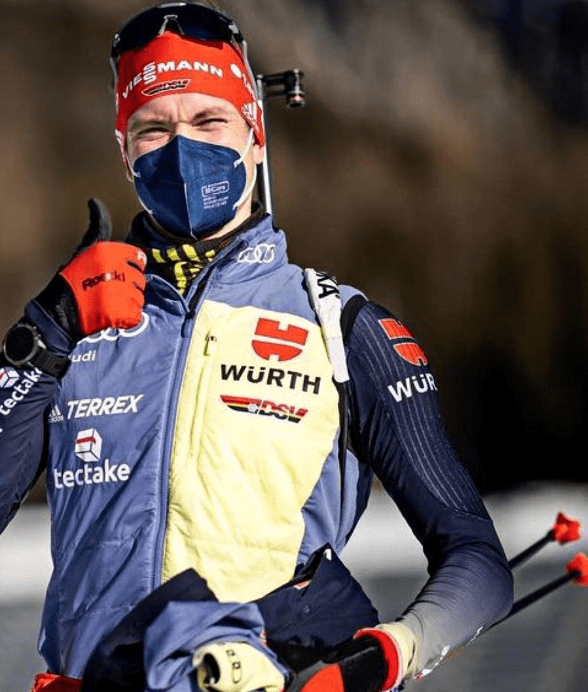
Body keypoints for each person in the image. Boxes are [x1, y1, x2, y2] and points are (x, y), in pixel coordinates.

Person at [0, 3, 513, 692]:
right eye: (154, 128)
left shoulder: (340, 326)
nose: (183, 147)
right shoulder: (69, 330)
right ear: (125, 155)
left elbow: (477, 561)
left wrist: (385, 654)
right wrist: (43, 332)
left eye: (210, 121)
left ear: (255, 135)